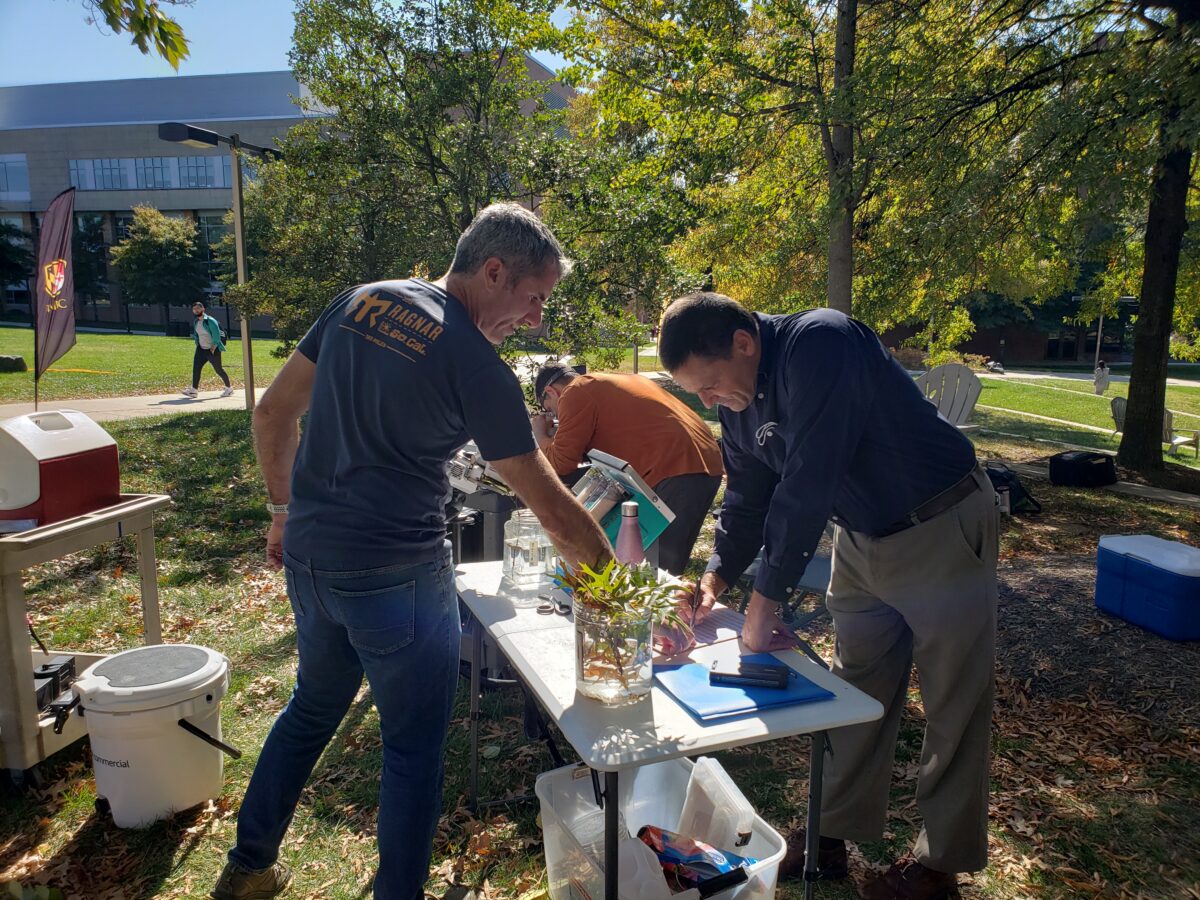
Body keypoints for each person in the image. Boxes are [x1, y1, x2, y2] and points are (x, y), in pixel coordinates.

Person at [212, 204, 612, 900]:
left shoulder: (361, 300)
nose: (537, 319)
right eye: (535, 297)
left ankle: (248, 868)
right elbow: (551, 509)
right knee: (412, 748)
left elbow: (273, 412)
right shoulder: (477, 365)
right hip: (397, 573)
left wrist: (282, 513)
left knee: (311, 708)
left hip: (310, 558)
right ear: (494, 271)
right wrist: (616, 586)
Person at [658, 292, 999, 900]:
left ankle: (938, 864)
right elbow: (746, 501)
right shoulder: (739, 403)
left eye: (709, 385)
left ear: (744, 342)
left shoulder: (822, 343)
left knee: (953, 699)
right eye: (698, 395)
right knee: (854, 689)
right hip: (862, 541)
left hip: (939, 524)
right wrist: (713, 580)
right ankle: (831, 833)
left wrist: (764, 605)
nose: (709, 402)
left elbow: (809, 477)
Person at [531, 364, 723, 575]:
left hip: (676, 465)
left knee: (654, 569)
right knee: (658, 561)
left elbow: (561, 463)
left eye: (549, 409)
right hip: (705, 459)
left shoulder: (575, 391)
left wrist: (540, 436)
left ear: (551, 392)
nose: (554, 415)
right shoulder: (616, 381)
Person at [183, 300, 235, 398]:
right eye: (194, 309)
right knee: (196, 368)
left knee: (218, 369)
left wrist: (214, 347)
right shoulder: (196, 321)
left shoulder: (210, 320)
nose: (196, 310)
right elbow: (197, 334)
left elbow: (216, 335)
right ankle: (194, 390)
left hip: (212, 350)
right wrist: (197, 343)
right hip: (201, 349)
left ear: (203, 309)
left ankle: (229, 388)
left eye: (198, 308)